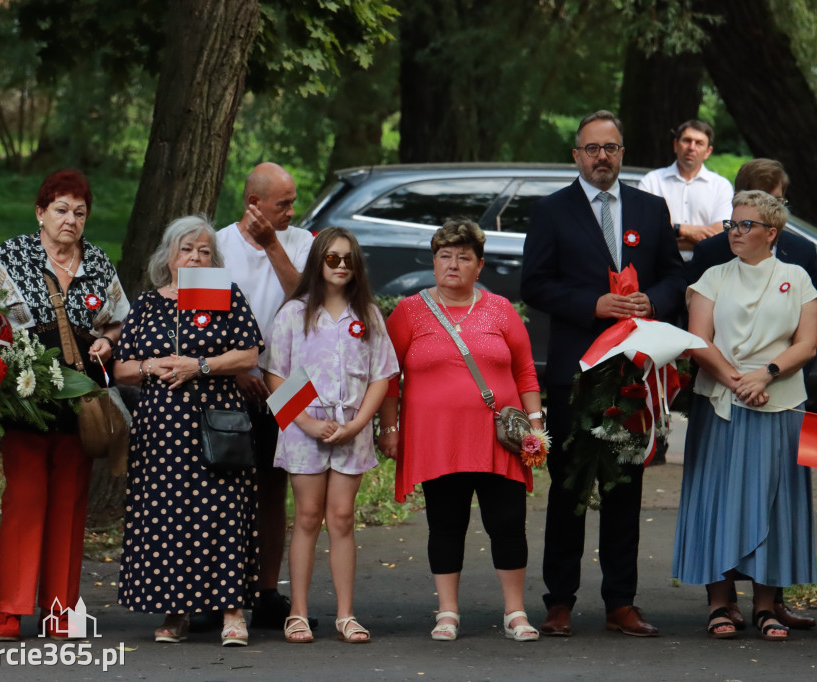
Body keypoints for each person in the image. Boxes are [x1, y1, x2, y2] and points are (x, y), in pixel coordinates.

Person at [521, 110, 686, 637]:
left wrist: (650, 300)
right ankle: (559, 601)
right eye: (592, 149)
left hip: (634, 374)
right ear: (576, 155)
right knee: (570, 488)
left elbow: (674, 278)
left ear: (622, 152)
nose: (601, 157)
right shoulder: (552, 212)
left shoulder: (651, 209)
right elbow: (536, 285)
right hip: (578, 372)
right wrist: (595, 304)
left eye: (610, 148)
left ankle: (621, 602)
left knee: (625, 490)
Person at [0, 169, 130, 642]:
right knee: (23, 499)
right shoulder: (10, 257)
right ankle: (11, 608)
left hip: (81, 401)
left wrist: (106, 341)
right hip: (26, 397)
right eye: (61, 210)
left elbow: (118, 321)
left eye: (80, 213)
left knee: (70, 500)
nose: (71, 220)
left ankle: (60, 609)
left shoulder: (98, 264)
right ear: (40, 213)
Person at [379, 219, 543, 643]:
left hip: (498, 440)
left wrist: (536, 427)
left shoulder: (500, 309)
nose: (453, 264)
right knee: (445, 523)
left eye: (463, 257)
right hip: (437, 440)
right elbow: (387, 374)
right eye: (445, 255)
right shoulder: (409, 311)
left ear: (480, 265)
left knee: (507, 522)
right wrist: (390, 427)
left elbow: (525, 371)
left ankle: (515, 612)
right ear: (434, 261)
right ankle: (447, 612)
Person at [672, 190, 817, 641]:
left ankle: (764, 606)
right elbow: (698, 340)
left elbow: (807, 342)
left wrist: (767, 375)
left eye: (745, 225)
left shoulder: (797, 278)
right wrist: (738, 380)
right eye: (731, 224)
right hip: (722, 402)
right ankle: (719, 603)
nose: (735, 232)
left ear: (770, 233)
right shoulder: (712, 277)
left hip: (782, 402)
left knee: (775, 501)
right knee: (716, 496)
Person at [114, 215, 263, 646]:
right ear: (169, 256)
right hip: (162, 429)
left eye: (204, 251)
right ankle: (175, 611)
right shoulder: (147, 304)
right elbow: (122, 367)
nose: (195, 256)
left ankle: (232, 612)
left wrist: (198, 366)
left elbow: (249, 353)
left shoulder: (224, 296)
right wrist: (150, 366)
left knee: (223, 511)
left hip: (217, 422)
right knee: (168, 516)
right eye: (187, 249)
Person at [262, 228, 398, 644]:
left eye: (348, 259)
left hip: (350, 428)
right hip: (305, 427)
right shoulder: (294, 313)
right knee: (306, 516)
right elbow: (274, 374)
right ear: (318, 263)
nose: (341, 266)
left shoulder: (368, 315)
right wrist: (305, 422)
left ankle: (346, 614)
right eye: (332, 258)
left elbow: (382, 376)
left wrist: (359, 426)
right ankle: (297, 613)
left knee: (341, 518)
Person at [215, 162, 315, 630]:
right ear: (253, 204)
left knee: (277, 487)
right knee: (222, 486)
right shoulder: (216, 245)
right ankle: (219, 589)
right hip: (228, 381)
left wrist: (273, 244)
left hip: (290, 382)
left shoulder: (301, 242)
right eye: (283, 204)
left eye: (293, 201)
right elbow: (203, 322)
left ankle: (268, 590)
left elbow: (307, 301)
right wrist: (235, 371)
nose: (292, 211)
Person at [688, 159, 817, 293]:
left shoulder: (803, 252)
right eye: (759, 201)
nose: (769, 209)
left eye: (776, 201)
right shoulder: (709, 252)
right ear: (737, 200)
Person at [638, 120, 733, 251]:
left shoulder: (721, 186)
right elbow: (643, 227)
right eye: (687, 140)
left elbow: (723, 235)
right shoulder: (652, 181)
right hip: (661, 269)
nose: (691, 147)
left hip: (706, 269)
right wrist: (682, 229)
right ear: (676, 145)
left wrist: (668, 239)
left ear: (708, 152)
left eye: (699, 143)